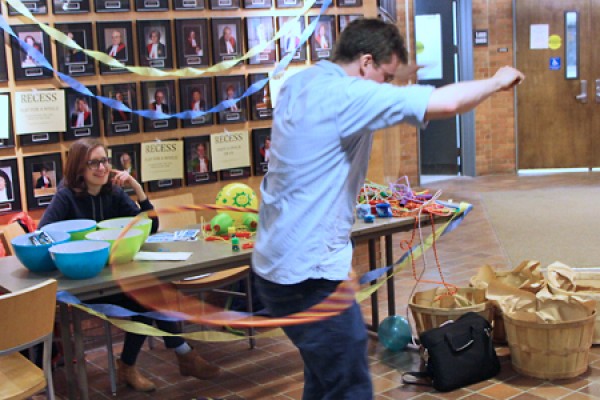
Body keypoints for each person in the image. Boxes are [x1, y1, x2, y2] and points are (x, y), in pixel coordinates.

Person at [251, 18, 524, 400]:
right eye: (387, 76)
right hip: (307, 278)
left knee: (324, 377)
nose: (387, 86)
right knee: (350, 388)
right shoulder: (350, 96)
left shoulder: (302, 82)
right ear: (365, 63)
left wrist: (396, 74)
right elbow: (447, 103)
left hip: (275, 265)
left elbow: (370, 88)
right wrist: (497, 79)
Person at [38, 138, 221, 392]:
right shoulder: (66, 196)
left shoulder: (112, 192)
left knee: (150, 296)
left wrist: (136, 187)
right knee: (148, 299)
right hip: (83, 284)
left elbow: (150, 226)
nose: (102, 168)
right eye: (94, 163)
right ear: (79, 167)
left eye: (104, 161)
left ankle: (146, 362)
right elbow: (42, 234)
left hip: (116, 277)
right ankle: (178, 355)